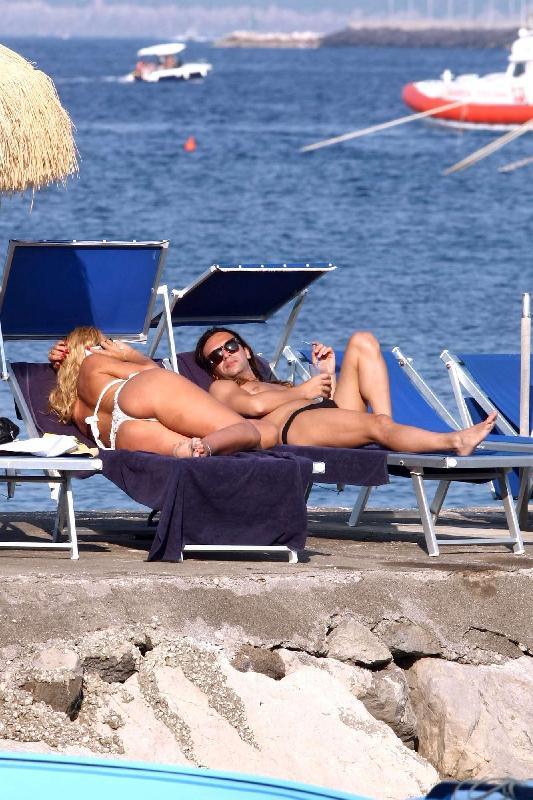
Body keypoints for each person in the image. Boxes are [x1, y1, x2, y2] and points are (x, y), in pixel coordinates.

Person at [193, 327, 497, 456]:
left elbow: (322, 404)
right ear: (213, 369)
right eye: (215, 356)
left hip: (321, 413)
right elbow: (256, 408)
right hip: (295, 426)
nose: (225, 355)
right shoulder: (221, 387)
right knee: (377, 425)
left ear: (246, 350)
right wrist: (303, 390)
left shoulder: (278, 383)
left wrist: (326, 375)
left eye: (230, 346)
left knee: (362, 340)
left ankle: (386, 430)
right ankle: (454, 441)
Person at [48, 327, 275, 458]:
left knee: (187, 448)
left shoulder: (73, 407)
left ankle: (192, 449)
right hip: (141, 394)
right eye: (106, 342)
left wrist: (61, 365)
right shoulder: (94, 363)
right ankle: (208, 445)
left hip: (119, 435)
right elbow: (151, 372)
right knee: (255, 432)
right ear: (94, 349)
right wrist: (130, 355)